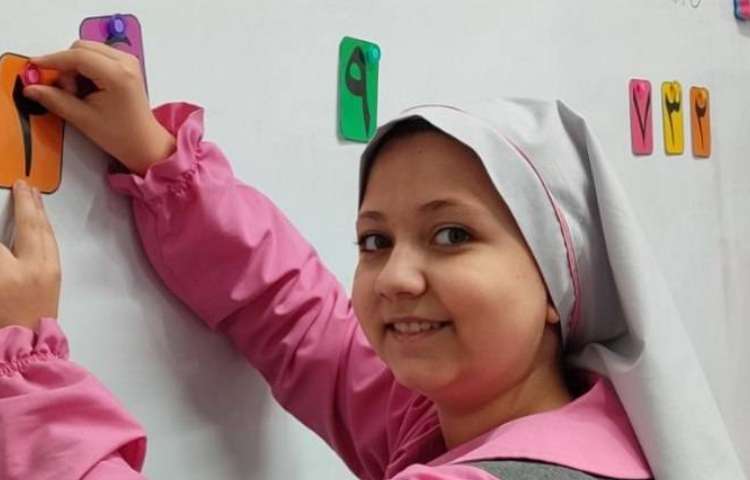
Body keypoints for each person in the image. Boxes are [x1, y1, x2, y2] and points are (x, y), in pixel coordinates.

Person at [0, 41, 744, 479]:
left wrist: (26, 366)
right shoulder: (506, 416)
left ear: (557, 278)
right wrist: (166, 168)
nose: (396, 278)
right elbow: (298, 322)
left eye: (451, 235)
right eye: (374, 241)